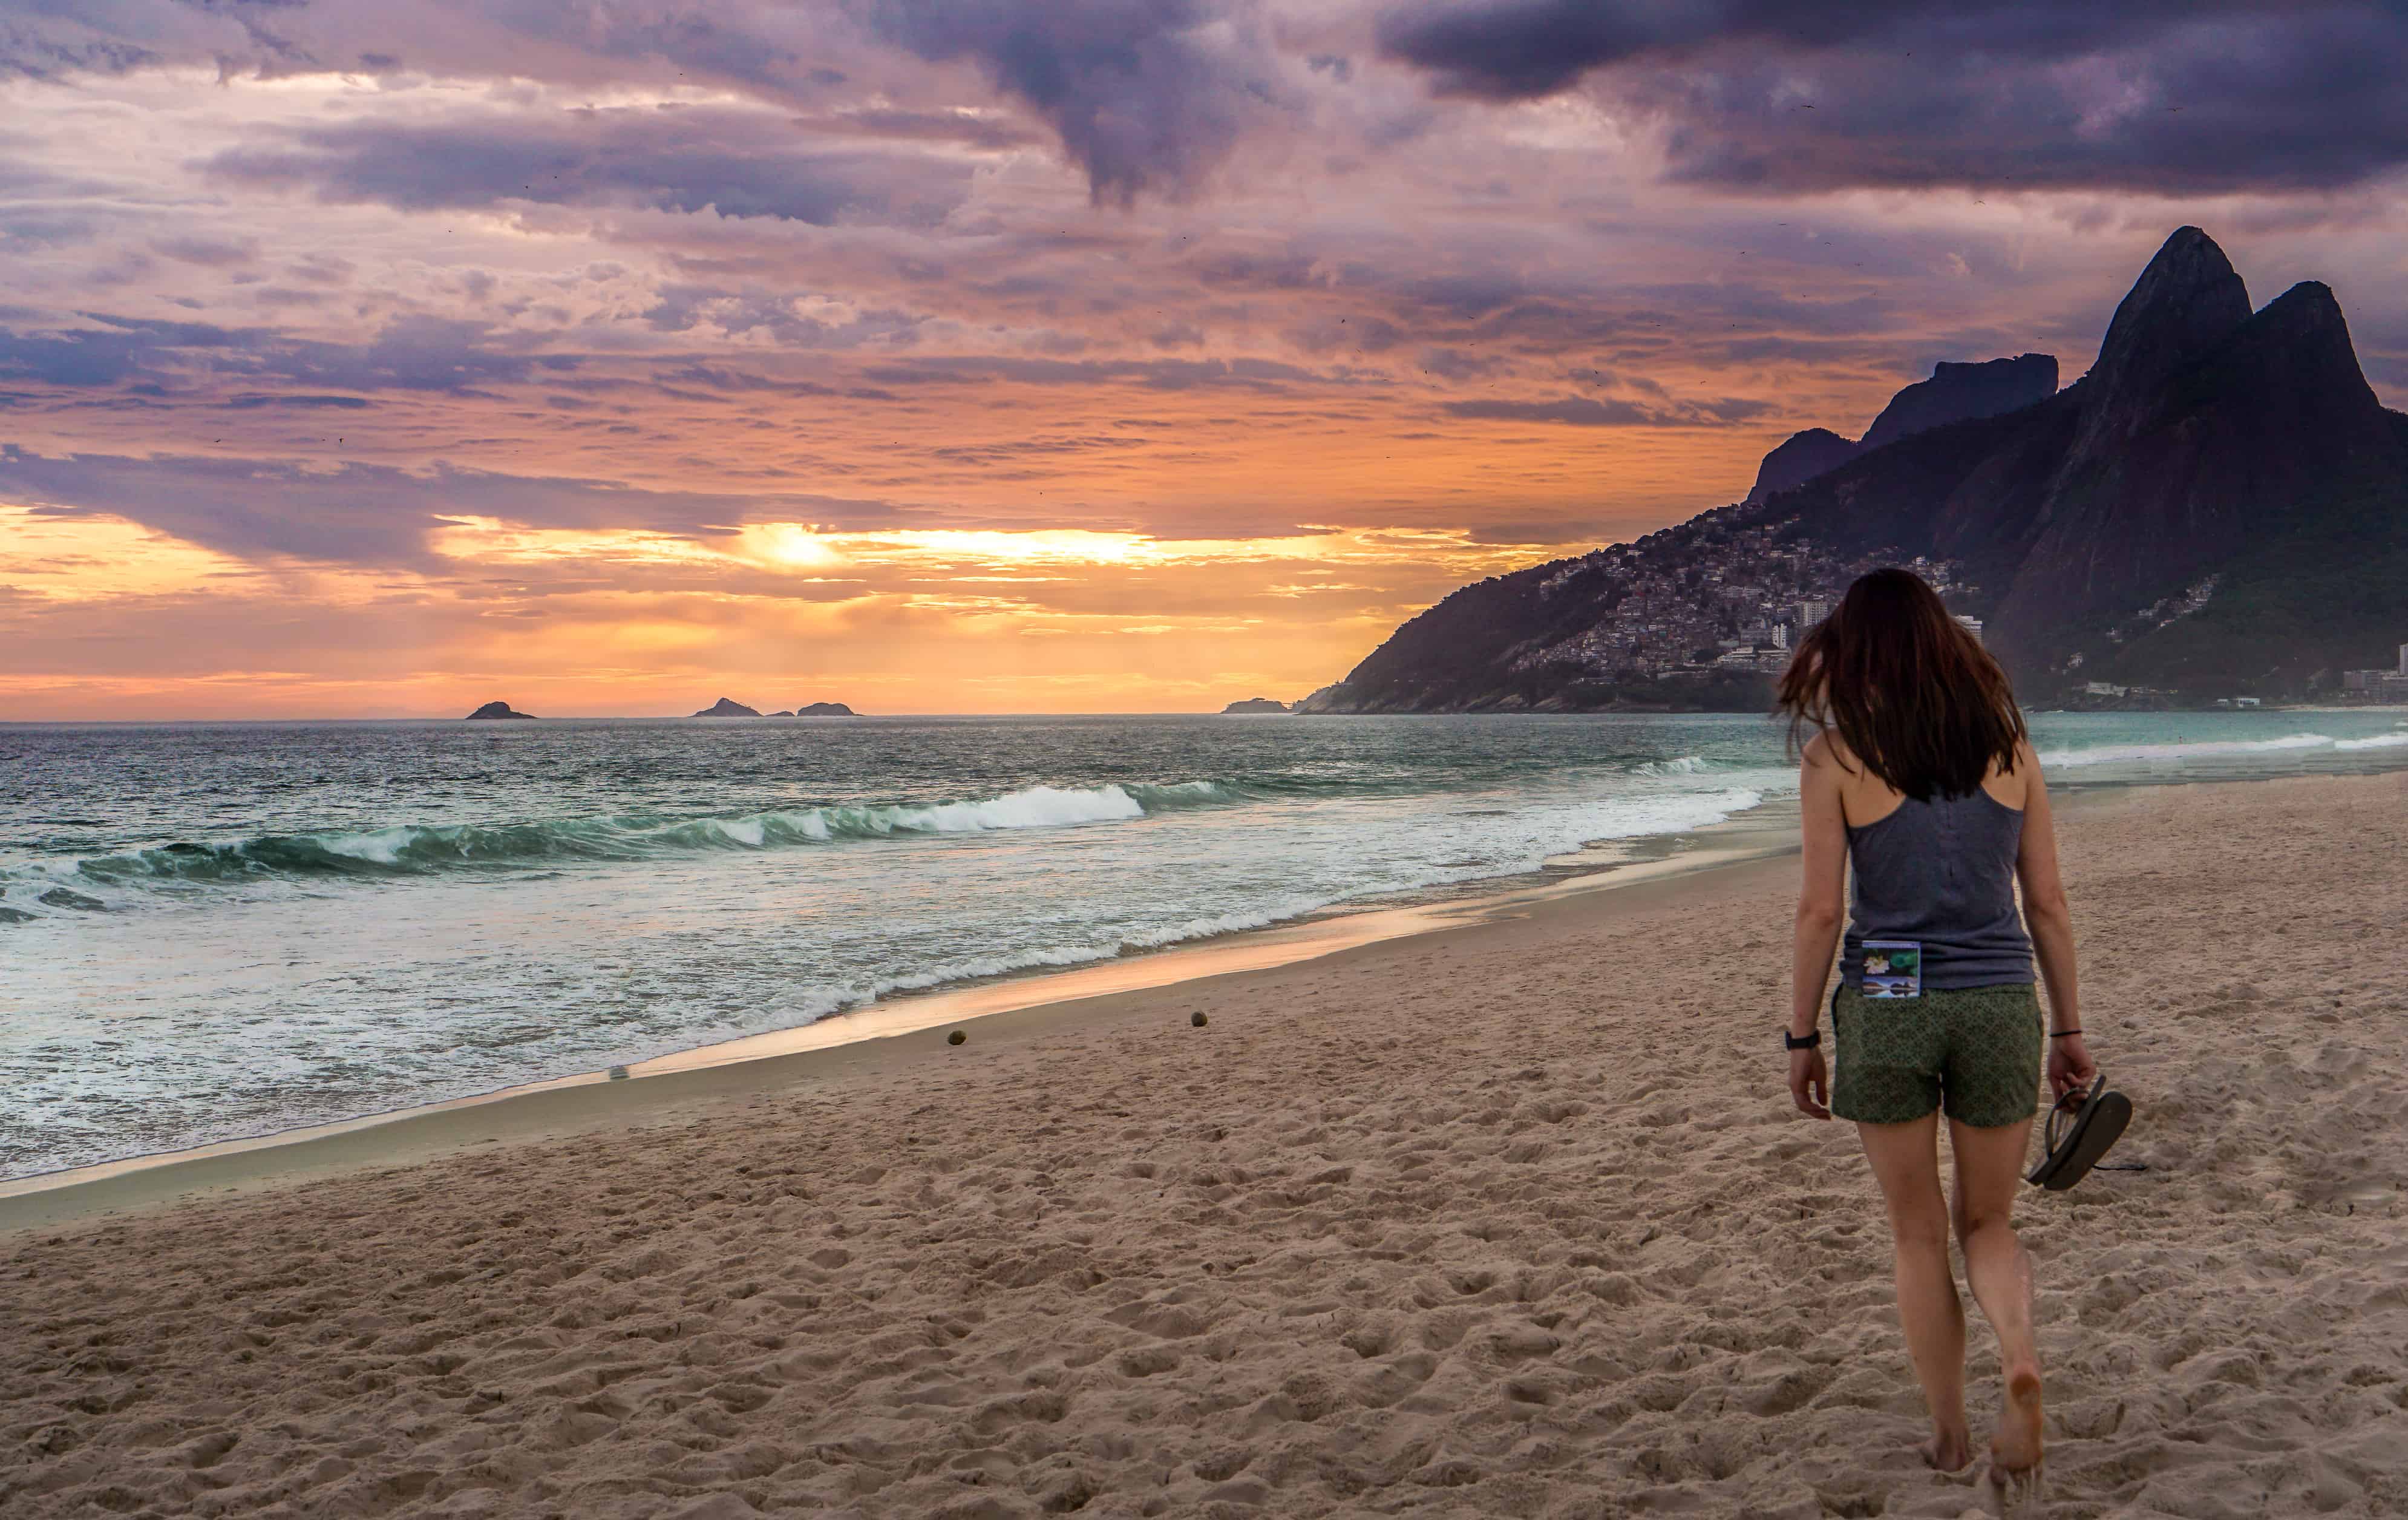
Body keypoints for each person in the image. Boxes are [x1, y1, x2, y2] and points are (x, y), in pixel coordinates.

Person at [1775, 568, 2095, 1489]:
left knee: (1917, 1233)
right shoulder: (2010, 749)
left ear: (1853, 652)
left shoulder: (1836, 758)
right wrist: (2068, 1027)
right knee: (1988, 1223)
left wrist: (1803, 1037)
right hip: (1999, 995)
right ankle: (2021, 1358)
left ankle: (1952, 1437)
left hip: (1887, 996)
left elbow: (1818, 914)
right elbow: (2048, 903)